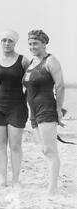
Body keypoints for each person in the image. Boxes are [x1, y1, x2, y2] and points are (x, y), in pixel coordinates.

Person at [23, 30, 65, 195]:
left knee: (50, 149)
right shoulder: (31, 62)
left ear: (44, 44)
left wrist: (59, 110)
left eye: (36, 43)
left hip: (47, 108)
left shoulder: (51, 61)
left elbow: (60, 86)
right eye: (30, 44)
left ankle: (52, 187)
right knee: (43, 149)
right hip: (33, 110)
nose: (32, 46)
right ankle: (52, 183)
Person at [0, 30, 30, 188]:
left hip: (17, 107)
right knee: (0, 144)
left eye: (10, 41)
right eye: (4, 40)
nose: (6, 43)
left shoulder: (23, 60)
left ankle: (16, 179)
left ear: (15, 43)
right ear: (0, 42)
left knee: (15, 145)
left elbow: (29, 84)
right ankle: (2, 178)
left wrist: (22, 101)